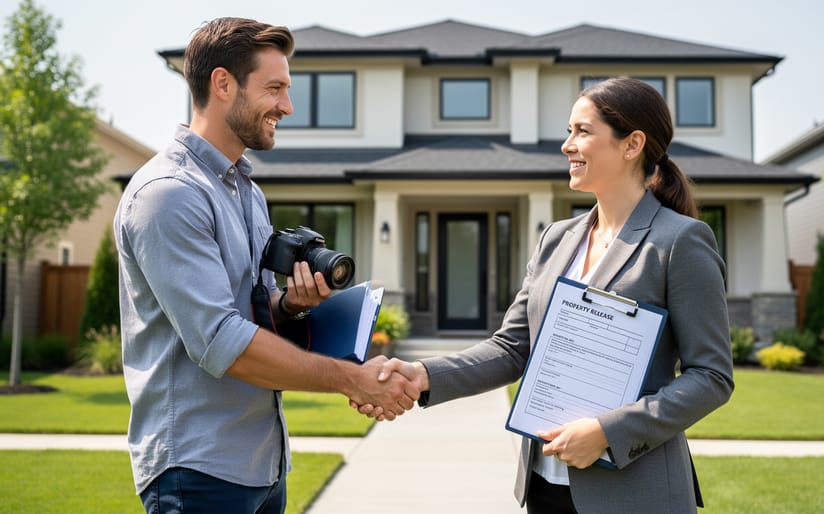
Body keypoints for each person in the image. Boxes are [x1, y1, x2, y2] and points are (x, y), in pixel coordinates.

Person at [365, 77, 734, 513]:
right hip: (544, 484)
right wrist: (423, 375)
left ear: (632, 144)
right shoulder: (558, 239)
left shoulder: (680, 241)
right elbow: (512, 347)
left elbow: (711, 377)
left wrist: (607, 432)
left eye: (583, 131)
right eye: (568, 132)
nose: (567, 146)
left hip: (635, 494)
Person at [114, 17, 417, 514]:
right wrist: (351, 379)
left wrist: (290, 305)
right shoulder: (168, 194)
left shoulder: (248, 193)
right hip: (197, 470)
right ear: (223, 83)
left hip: (261, 464)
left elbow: (247, 310)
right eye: (274, 88)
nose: (288, 106)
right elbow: (222, 342)